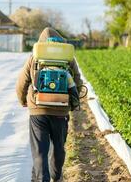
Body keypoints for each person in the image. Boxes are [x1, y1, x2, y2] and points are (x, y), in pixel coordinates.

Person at [16, 27, 83, 182]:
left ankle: (41, 179)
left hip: (38, 110)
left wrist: (23, 100)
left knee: (40, 150)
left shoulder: (35, 56)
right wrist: (71, 103)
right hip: (60, 111)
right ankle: (56, 176)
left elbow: (22, 82)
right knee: (58, 148)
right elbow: (77, 82)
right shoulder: (68, 58)